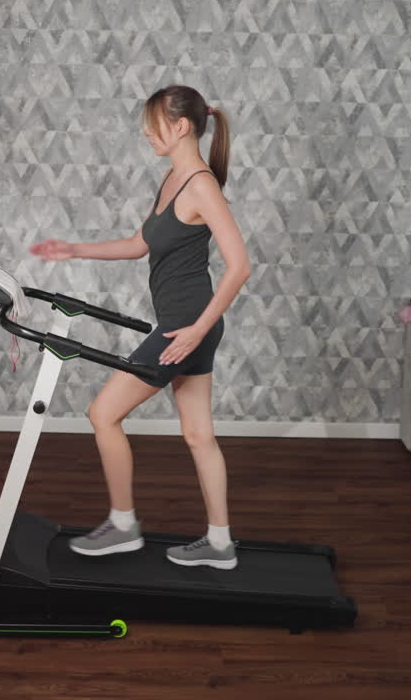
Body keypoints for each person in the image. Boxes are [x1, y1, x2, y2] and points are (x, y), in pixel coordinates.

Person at [29, 85, 251, 570]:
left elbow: (239, 267)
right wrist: (73, 249)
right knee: (198, 435)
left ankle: (124, 525)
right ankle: (219, 543)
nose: (146, 133)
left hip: (186, 328)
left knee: (102, 414)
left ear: (181, 127)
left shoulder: (201, 184)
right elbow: (138, 243)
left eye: (154, 125)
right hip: (184, 327)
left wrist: (195, 331)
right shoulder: (174, 178)